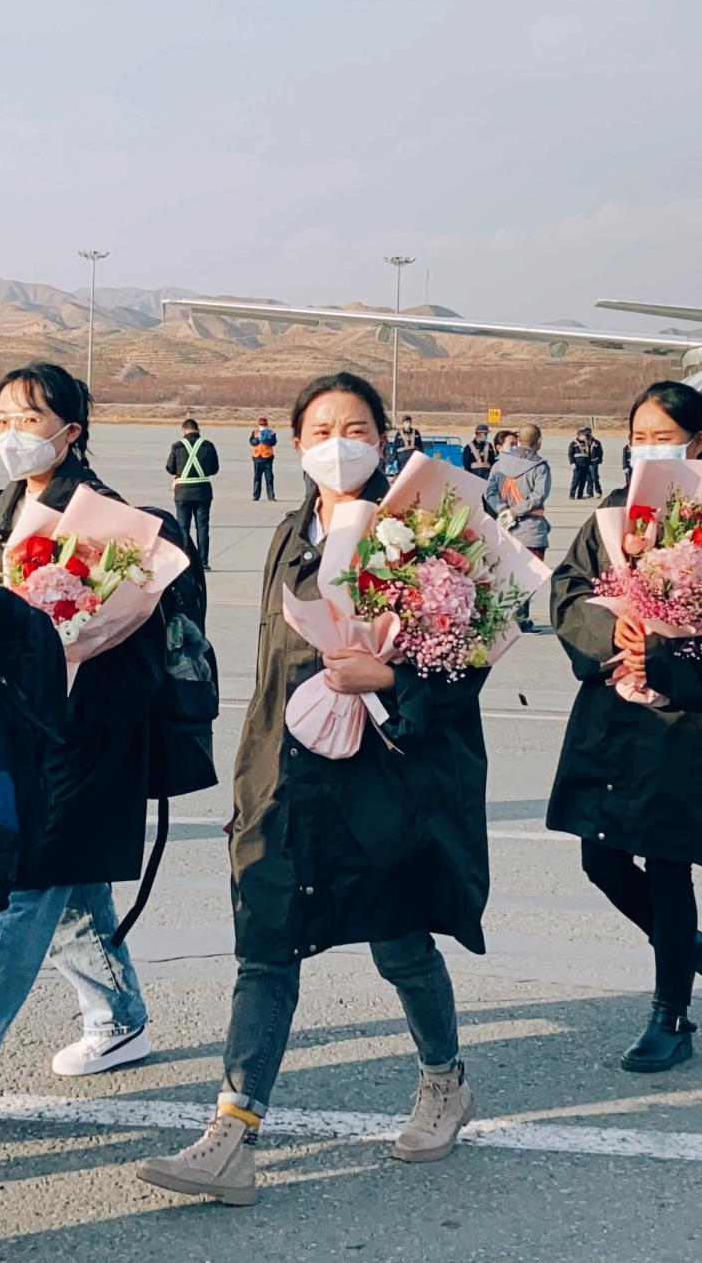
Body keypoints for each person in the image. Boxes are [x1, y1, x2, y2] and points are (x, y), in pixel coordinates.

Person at [135, 371, 489, 1206]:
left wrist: (391, 679)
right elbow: (269, 677)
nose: (339, 444)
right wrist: (251, 784)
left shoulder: (427, 538)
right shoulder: (288, 537)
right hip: (290, 780)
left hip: (383, 781)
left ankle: (445, 1081)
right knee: (266, 949)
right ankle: (232, 1136)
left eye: (356, 428)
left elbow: (463, 666)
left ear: (384, 440)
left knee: (400, 941)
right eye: (322, 430)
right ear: (295, 444)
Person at [0, 363, 157, 1114]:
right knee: (71, 887)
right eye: (1, 419)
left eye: (29, 419)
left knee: (22, 889)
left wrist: (64, 680)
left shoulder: (106, 523)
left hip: (78, 744)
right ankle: (119, 1019)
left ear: (71, 430)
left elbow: (135, 657)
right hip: (8, 737)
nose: (13, 434)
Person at [547, 381, 702, 1073]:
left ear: (697, 444)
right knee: (600, 857)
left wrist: (663, 658)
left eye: (664, 437)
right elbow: (568, 592)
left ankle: (672, 1014)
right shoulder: (612, 515)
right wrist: (613, 631)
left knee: (669, 864)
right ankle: (684, 944)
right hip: (611, 712)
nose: (648, 448)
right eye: (639, 436)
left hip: (683, 722)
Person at [486, 423, 554, 631]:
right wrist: (516, 511)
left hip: (506, 528)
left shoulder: (500, 464)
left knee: (508, 573)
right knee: (530, 575)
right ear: (538, 442)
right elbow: (538, 496)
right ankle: (521, 619)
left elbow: (490, 492)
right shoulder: (540, 467)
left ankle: (504, 615)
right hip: (531, 528)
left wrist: (504, 510)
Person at [167, 417, 219, 566]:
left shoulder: (177, 446)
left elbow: (170, 468)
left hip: (183, 492)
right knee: (202, 527)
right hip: (203, 491)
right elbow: (214, 469)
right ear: (198, 430)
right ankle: (203, 561)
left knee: (183, 527)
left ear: (184, 430)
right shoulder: (208, 445)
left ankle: (185, 561)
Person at [246, 415, 280, 501]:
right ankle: (256, 496)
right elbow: (251, 442)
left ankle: (271, 496)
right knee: (257, 477)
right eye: (261, 424)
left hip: (267, 458)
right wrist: (257, 439)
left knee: (269, 478)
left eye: (264, 424)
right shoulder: (255, 432)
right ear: (258, 425)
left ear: (267, 425)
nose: (262, 426)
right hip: (257, 457)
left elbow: (273, 442)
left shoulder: (271, 433)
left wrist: (266, 439)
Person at [567, 426, 600, 498]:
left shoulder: (587, 444)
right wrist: (572, 463)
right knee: (576, 480)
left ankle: (580, 495)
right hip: (577, 465)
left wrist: (590, 463)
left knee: (583, 480)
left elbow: (589, 454)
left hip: (586, 465)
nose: (585, 436)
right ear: (579, 435)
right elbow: (570, 454)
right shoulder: (573, 443)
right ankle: (572, 494)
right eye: (583, 435)